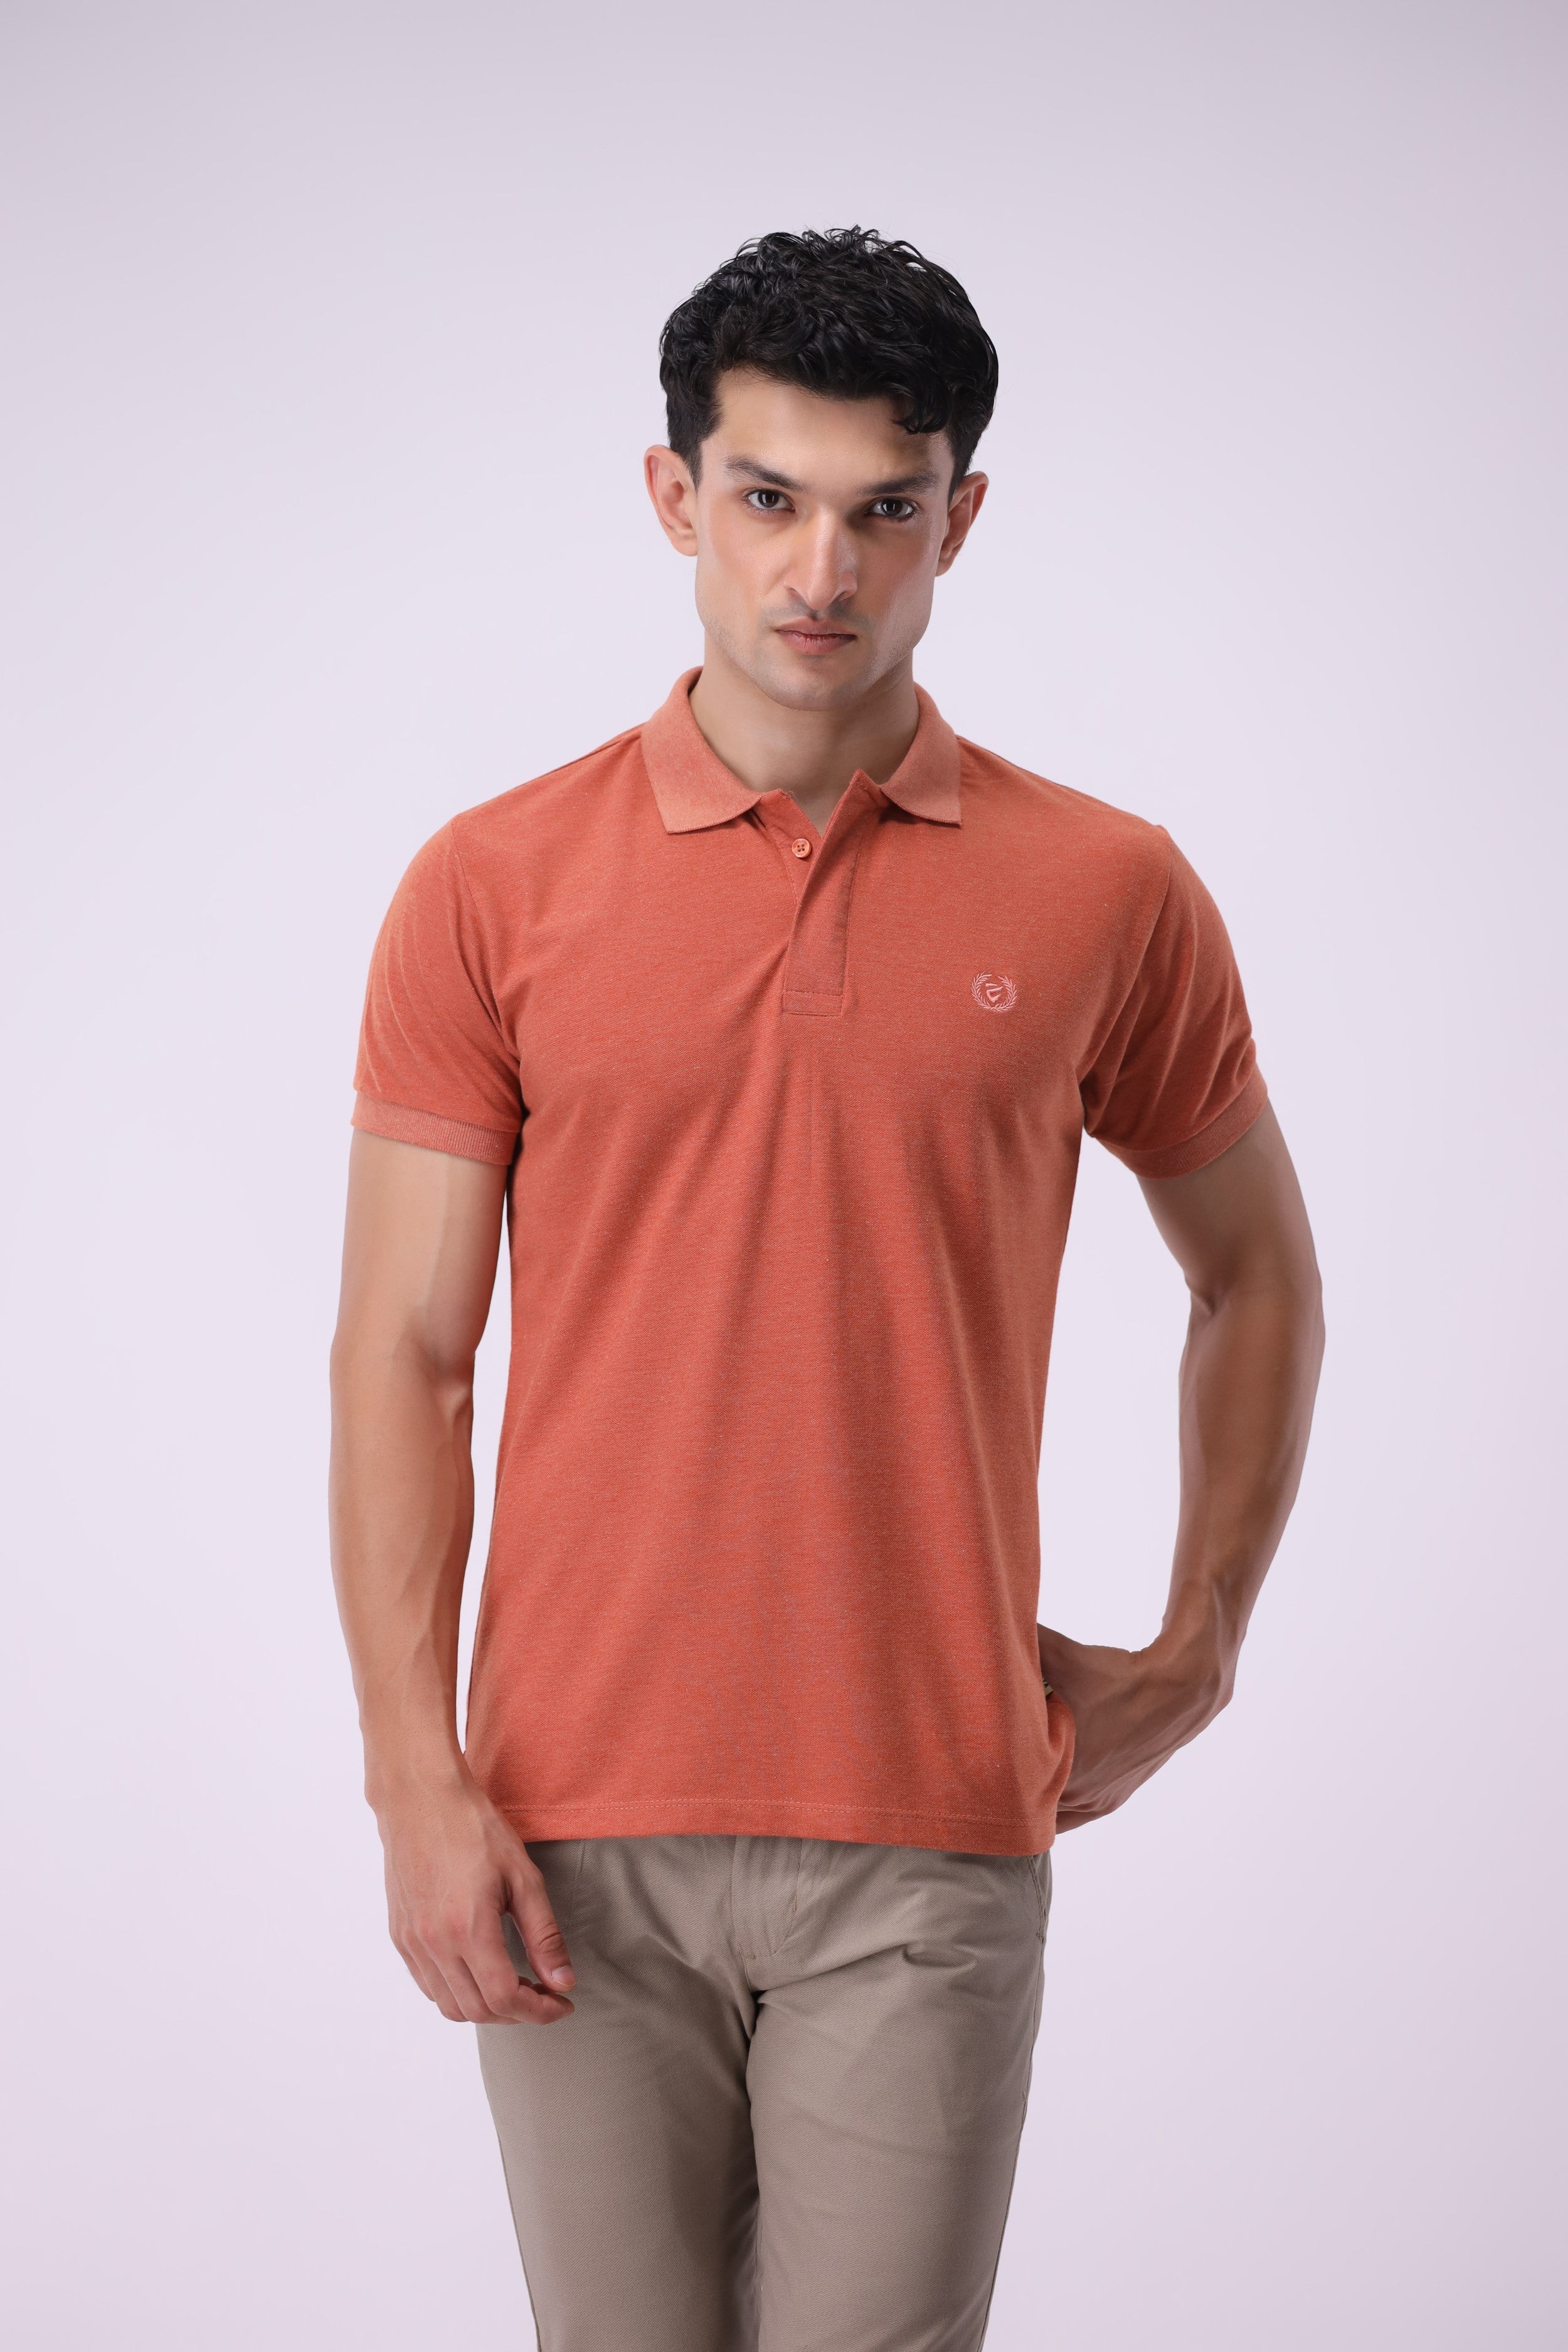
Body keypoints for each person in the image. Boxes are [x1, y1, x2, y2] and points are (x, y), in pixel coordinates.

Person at [329, 226, 1324, 2351]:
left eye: (885, 510)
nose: (821, 572)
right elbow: (406, 1355)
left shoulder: (1106, 888)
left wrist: (1201, 1648)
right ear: (673, 494)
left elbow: (1252, 1275)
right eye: (768, 498)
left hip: (929, 1821)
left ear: (959, 519)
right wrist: (413, 1777)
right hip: (570, 1829)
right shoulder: (489, 886)